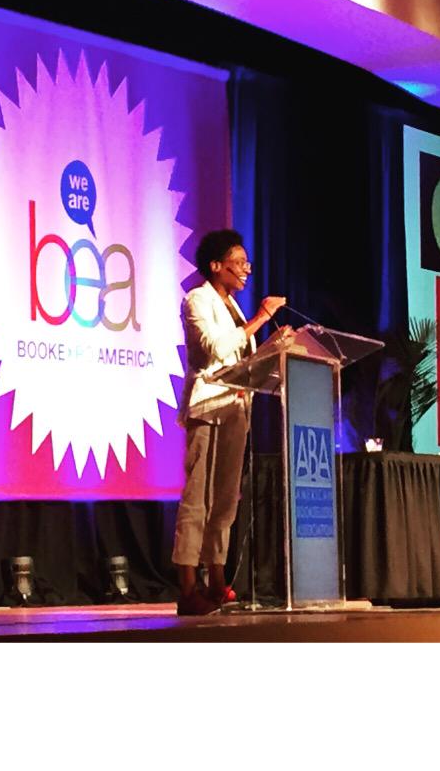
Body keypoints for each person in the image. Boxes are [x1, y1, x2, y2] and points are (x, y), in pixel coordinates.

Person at [172, 229, 286, 615]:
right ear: (215, 266)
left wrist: (275, 347)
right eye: (239, 263)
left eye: (247, 263)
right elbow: (215, 350)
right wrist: (261, 319)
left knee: (225, 501)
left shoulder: (235, 308)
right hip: (208, 408)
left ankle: (217, 579)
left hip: (237, 408)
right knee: (198, 498)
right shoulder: (197, 300)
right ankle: (188, 586)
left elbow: (243, 361)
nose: (246, 271)